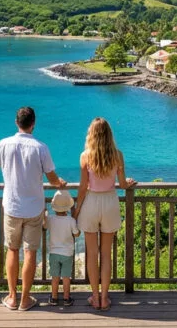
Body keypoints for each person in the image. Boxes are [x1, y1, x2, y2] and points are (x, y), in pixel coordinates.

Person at [0, 106, 66, 312]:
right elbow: (52, 178)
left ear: (16, 123)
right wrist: (59, 183)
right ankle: (26, 299)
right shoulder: (41, 148)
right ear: (33, 124)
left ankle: (12, 297)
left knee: (12, 250)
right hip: (34, 208)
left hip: (12, 207)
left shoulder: (4, 144)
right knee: (30, 253)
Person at [73, 117, 135, 311]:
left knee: (92, 254)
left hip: (91, 201)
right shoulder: (118, 155)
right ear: (109, 134)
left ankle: (95, 297)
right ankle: (105, 298)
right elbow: (123, 184)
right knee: (106, 254)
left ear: (91, 134)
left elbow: (83, 187)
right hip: (110, 201)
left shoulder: (85, 156)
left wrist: (76, 209)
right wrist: (129, 182)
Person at [43, 190, 80, 307]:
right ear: (68, 207)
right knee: (66, 277)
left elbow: (44, 226)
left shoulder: (51, 219)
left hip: (54, 253)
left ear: (54, 207)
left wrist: (45, 214)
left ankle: (54, 298)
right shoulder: (71, 220)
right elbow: (77, 234)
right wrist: (74, 213)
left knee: (55, 276)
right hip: (67, 253)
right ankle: (66, 298)